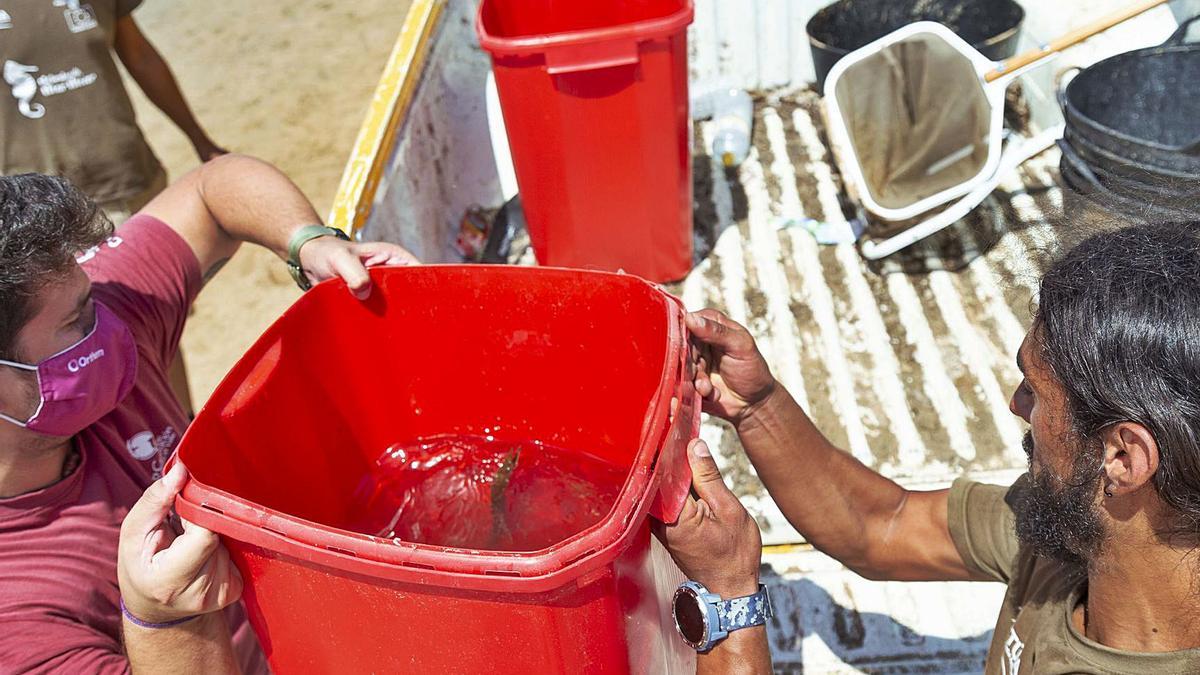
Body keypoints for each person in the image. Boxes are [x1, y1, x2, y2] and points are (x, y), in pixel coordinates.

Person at [685, 221, 1200, 672]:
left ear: (1122, 457)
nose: (1015, 404)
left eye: (1036, 392)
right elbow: (881, 526)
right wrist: (756, 406)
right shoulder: (1077, 530)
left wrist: (728, 599)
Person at [0, 155, 417, 672]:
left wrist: (309, 242)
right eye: (77, 321)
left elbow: (211, 190)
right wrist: (163, 621)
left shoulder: (100, 313)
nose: (108, 320)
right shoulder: (14, 618)